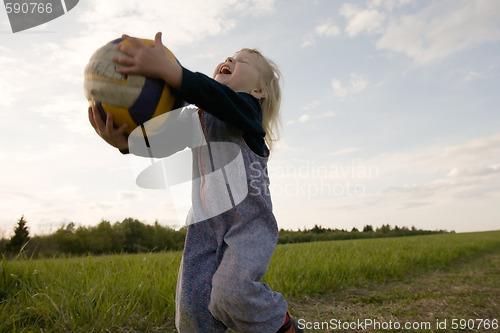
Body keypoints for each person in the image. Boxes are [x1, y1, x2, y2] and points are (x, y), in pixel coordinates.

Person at [89, 32, 302, 333]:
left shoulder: (246, 113)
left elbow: (210, 94)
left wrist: (171, 72)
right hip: (203, 228)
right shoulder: (198, 117)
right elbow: (162, 140)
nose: (229, 60)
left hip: (247, 227)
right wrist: (126, 142)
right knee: (191, 311)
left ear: (259, 90)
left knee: (232, 293)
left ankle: (281, 325)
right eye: (228, 57)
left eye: (241, 61)